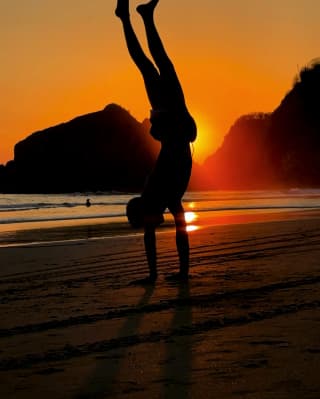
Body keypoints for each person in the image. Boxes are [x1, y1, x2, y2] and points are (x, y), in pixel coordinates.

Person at [116, 0, 197, 283]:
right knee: (156, 64)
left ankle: (129, 18)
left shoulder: (158, 192)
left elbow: (171, 227)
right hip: (174, 120)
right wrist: (180, 273)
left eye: (145, 222)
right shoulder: (165, 197)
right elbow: (179, 226)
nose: (150, 226)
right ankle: (140, 17)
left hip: (171, 118)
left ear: (145, 210)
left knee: (149, 65)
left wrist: (154, 276)